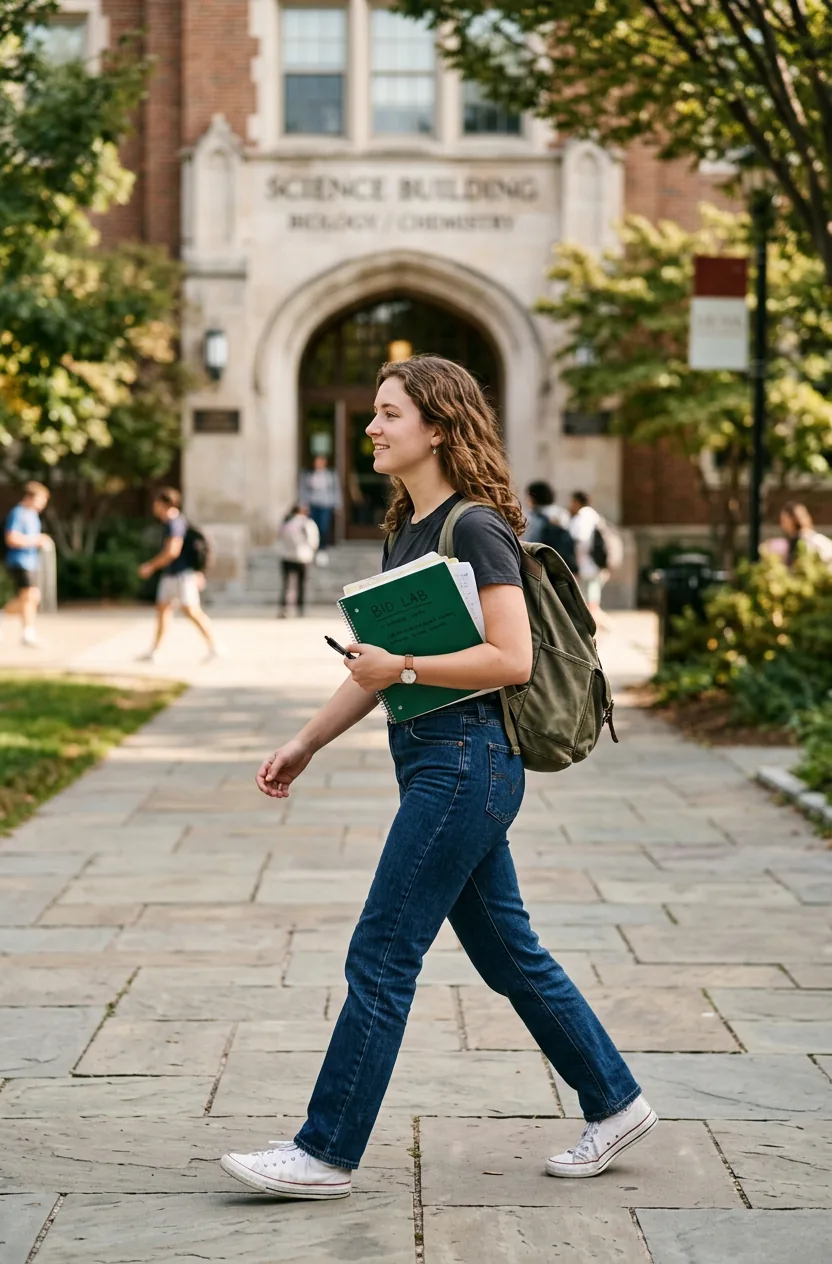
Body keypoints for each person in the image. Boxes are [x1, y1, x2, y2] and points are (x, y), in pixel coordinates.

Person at [220, 355, 655, 1200]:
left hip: (468, 763)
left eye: (389, 414)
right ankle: (616, 1099)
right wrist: (304, 743)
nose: (373, 428)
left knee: (382, 951)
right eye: (375, 413)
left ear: (439, 427)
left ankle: (326, 1151)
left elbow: (511, 658)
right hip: (433, 759)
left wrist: (406, 664)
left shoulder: (476, 528)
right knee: (508, 955)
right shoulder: (403, 529)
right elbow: (376, 671)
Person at [137, 488, 223, 663]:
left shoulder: (175, 523)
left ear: (164, 504)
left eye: (156, 503)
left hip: (181, 575)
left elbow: (172, 551)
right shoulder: (172, 522)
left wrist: (151, 566)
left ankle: (215, 645)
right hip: (171, 575)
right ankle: (156, 649)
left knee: (191, 611)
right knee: (163, 610)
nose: (154, 506)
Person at [0, 482, 52, 647]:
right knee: (30, 595)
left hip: (31, 562)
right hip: (19, 561)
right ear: (31, 497)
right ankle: (27, 633)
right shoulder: (18, 513)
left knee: (30, 598)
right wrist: (36, 541)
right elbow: (11, 538)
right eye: (41, 500)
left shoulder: (33, 516)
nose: (43, 505)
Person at [569, 490, 610, 624]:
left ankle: (604, 626)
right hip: (596, 564)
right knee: (592, 599)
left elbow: (581, 539)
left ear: (577, 502)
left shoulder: (582, 517)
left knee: (588, 602)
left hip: (586, 565)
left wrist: (574, 561)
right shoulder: (595, 516)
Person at [523, 480, 578, 572]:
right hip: (561, 562)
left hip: (541, 563)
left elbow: (530, 541)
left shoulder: (533, 517)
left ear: (533, 497)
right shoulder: (562, 513)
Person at [277, 504, 320, 617]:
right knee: (301, 584)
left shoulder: (286, 523)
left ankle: (285, 607)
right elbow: (313, 541)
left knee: (287, 584)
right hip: (303, 557)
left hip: (287, 556)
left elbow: (280, 538)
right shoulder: (307, 523)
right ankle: (300, 609)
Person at [298, 454, 342, 553]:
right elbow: (304, 490)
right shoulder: (309, 474)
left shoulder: (330, 474)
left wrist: (337, 504)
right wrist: (303, 504)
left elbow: (336, 490)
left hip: (326, 504)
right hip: (313, 503)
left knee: (323, 526)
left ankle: (323, 546)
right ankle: (314, 546)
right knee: (314, 526)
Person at [779, 502, 832, 569]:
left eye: (784, 521)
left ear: (792, 520)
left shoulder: (814, 542)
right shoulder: (792, 542)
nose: (782, 526)